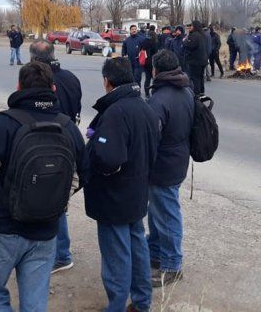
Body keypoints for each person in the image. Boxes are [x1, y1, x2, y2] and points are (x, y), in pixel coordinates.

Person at [0, 62, 85, 312]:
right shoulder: (68, 126)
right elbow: (83, 174)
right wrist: (54, 198)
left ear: (18, 87)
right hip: (47, 228)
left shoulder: (3, 123)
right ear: (53, 88)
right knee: (35, 302)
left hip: (2, 226)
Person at [83, 57, 160, 312]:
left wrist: (93, 148)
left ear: (107, 81)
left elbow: (109, 158)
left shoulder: (115, 112)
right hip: (137, 191)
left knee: (116, 255)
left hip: (114, 196)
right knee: (137, 246)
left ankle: (116, 305)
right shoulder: (145, 106)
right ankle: (142, 302)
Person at [29, 40, 82, 273]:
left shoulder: (36, 81)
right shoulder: (71, 77)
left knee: (48, 199)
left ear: (33, 58)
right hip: (68, 140)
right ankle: (58, 250)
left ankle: (60, 253)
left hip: (45, 145)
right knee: (59, 197)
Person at [145, 49, 194, 288]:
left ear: (155, 70)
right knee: (158, 211)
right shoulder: (186, 90)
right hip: (178, 160)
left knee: (166, 214)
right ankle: (155, 253)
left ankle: (172, 265)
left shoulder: (159, 100)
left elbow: (150, 138)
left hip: (163, 166)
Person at [182, 21, 207, 96]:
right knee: (200, 77)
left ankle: (197, 94)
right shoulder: (202, 35)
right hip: (203, 59)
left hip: (195, 60)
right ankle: (202, 92)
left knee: (195, 78)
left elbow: (190, 45)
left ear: (195, 27)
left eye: (192, 26)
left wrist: (184, 41)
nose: (190, 27)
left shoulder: (194, 35)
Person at [121, 25, 145, 89]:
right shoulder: (127, 40)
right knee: (130, 78)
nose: (134, 30)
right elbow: (124, 48)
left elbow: (145, 49)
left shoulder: (141, 39)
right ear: (130, 30)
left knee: (137, 78)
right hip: (129, 62)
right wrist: (124, 55)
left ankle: (137, 91)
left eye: (135, 29)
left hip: (138, 62)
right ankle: (131, 91)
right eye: (133, 29)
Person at [141, 26, 160, 97]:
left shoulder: (144, 40)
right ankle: (155, 92)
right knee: (155, 78)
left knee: (147, 78)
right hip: (153, 62)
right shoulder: (155, 42)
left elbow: (142, 49)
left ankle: (147, 93)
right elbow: (156, 52)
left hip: (145, 62)